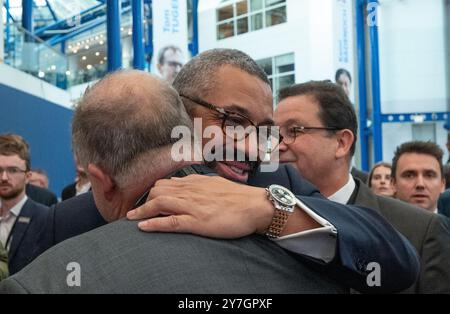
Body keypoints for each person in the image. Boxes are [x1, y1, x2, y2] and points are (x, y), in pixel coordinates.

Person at [16, 50, 418, 292]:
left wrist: (268, 210)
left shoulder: (278, 184)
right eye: (233, 120)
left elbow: (394, 260)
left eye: (263, 131)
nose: (252, 147)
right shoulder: (64, 223)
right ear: (180, 110)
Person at [133, 80, 449, 293]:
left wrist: (273, 209)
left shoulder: (422, 229)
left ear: (342, 142)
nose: (273, 145)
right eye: (273, 132)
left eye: (293, 131)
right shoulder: (233, 200)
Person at [0, 134, 49, 275]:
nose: (4, 177)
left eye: (13, 170)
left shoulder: (45, 219)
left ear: (28, 176)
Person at [392, 141, 446, 214]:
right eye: (409, 176)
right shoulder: (378, 225)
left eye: (429, 175)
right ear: (393, 184)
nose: (420, 184)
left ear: (442, 185)